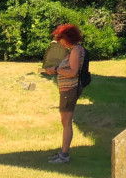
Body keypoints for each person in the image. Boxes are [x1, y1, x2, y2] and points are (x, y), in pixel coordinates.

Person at [42, 23, 86, 165]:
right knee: (65, 121)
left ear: (67, 38)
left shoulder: (75, 51)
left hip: (70, 90)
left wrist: (55, 70)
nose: (60, 43)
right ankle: (62, 152)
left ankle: (64, 155)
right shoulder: (74, 49)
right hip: (67, 90)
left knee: (66, 122)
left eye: (61, 39)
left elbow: (73, 72)